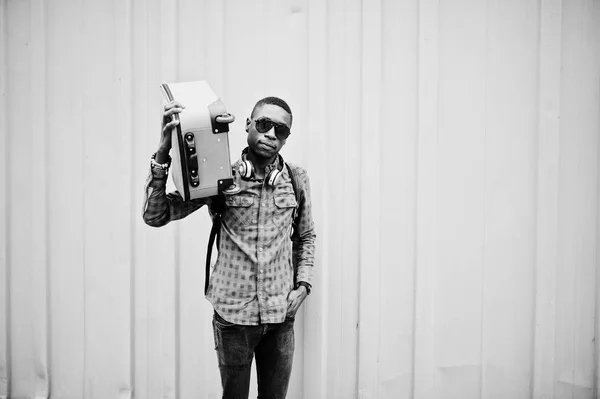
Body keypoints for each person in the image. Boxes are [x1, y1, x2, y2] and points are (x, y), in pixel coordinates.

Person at [142, 96, 316, 398]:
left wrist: (303, 286)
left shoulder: (296, 179)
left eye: (281, 130)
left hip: (280, 320)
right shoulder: (220, 177)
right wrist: (163, 150)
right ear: (248, 125)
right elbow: (155, 214)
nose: (271, 134)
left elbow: (306, 235)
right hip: (234, 319)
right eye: (264, 124)